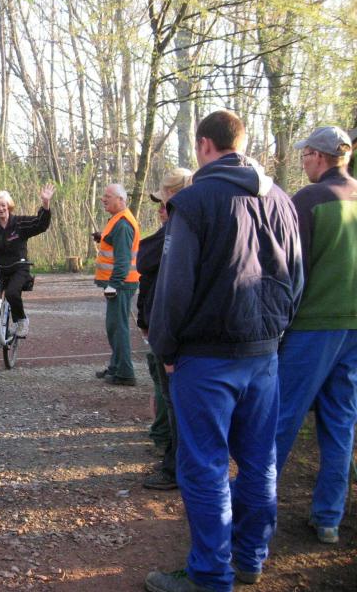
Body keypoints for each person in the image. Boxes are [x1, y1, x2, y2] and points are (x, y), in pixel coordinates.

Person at [145, 110, 303, 592]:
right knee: (259, 461)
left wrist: (164, 346)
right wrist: (276, 334)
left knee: (205, 465)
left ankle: (211, 575)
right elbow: (296, 278)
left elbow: (174, 287)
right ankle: (250, 557)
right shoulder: (281, 199)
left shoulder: (193, 203)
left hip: (207, 357)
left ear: (203, 145)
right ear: (242, 142)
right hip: (263, 354)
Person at [274, 125, 357, 545]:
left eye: (305, 154)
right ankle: (328, 518)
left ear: (319, 157)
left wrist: (277, 325)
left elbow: (290, 269)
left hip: (312, 328)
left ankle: (253, 512)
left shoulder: (309, 200)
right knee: (341, 423)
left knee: (281, 418)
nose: (303, 161)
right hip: (353, 329)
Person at [137, 168, 193, 491]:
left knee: (175, 402)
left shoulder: (180, 231)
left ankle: (176, 467)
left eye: (164, 202)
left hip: (172, 335)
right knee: (169, 398)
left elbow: (147, 261)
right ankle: (174, 460)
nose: (160, 209)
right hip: (161, 330)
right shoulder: (170, 230)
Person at [0, 184, 55, 338]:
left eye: (3, 205)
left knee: (12, 294)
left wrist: (46, 204)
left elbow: (40, 224)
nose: (0, 208)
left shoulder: (19, 223)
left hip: (19, 268)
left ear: (8, 206)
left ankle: (21, 321)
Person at [94, 183, 140, 386]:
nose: (103, 199)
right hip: (121, 282)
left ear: (120, 200)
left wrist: (113, 284)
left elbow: (123, 259)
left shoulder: (122, 224)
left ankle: (125, 373)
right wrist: (102, 238)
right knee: (115, 326)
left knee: (118, 327)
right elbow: (118, 246)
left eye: (108, 196)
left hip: (121, 284)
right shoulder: (118, 220)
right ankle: (116, 367)